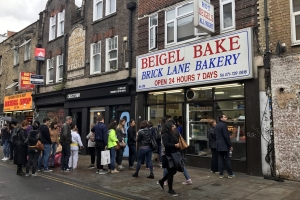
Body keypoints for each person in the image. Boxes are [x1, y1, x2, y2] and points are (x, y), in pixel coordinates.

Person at [158, 120, 180, 197]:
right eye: (173, 126)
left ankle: (162, 181)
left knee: (174, 171)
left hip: (172, 154)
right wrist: (175, 145)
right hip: (167, 156)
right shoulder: (165, 135)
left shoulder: (172, 134)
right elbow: (166, 144)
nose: (174, 127)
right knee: (171, 172)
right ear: (169, 127)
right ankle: (170, 190)